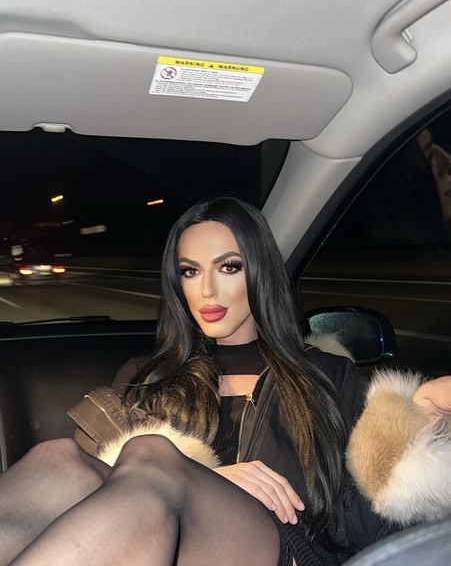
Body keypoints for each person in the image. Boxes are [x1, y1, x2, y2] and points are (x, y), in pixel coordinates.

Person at [1, 196, 451, 566]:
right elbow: (97, 500)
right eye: (190, 271)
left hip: (287, 552)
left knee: (152, 453)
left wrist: (418, 418)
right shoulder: (147, 377)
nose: (207, 291)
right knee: (57, 458)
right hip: (165, 545)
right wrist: (211, 480)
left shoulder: (328, 376)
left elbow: (368, 531)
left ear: (260, 271)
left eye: (229, 267)